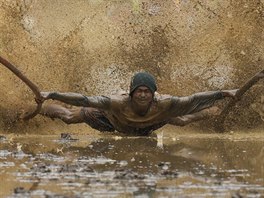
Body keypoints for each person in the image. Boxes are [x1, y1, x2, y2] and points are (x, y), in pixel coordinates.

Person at [39, 72, 238, 136]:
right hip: (112, 120)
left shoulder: (164, 104)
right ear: (132, 93)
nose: (142, 95)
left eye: (147, 92)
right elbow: (83, 99)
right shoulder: (116, 102)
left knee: (183, 119)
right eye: (139, 91)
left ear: (153, 95)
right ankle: (40, 109)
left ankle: (214, 112)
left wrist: (224, 93)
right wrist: (51, 94)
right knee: (69, 117)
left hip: (146, 126)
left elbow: (194, 100)